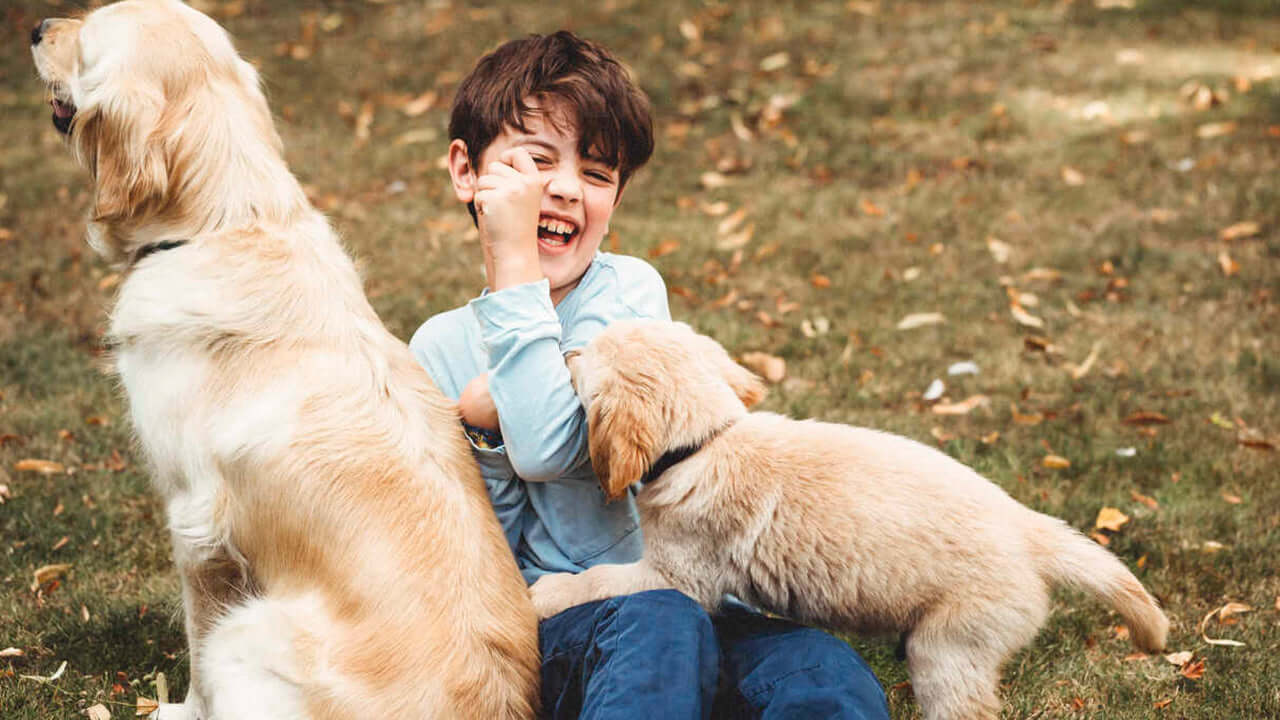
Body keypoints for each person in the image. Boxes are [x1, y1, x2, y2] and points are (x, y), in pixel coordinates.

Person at [409, 31, 889, 720]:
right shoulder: (439, 348)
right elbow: (484, 538)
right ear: (468, 172)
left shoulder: (628, 297)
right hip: (560, 628)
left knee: (822, 671)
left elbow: (552, 445)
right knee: (657, 628)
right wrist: (486, 441)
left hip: (691, 586)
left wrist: (504, 388)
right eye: (538, 161)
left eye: (599, 175)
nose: (569, 187)